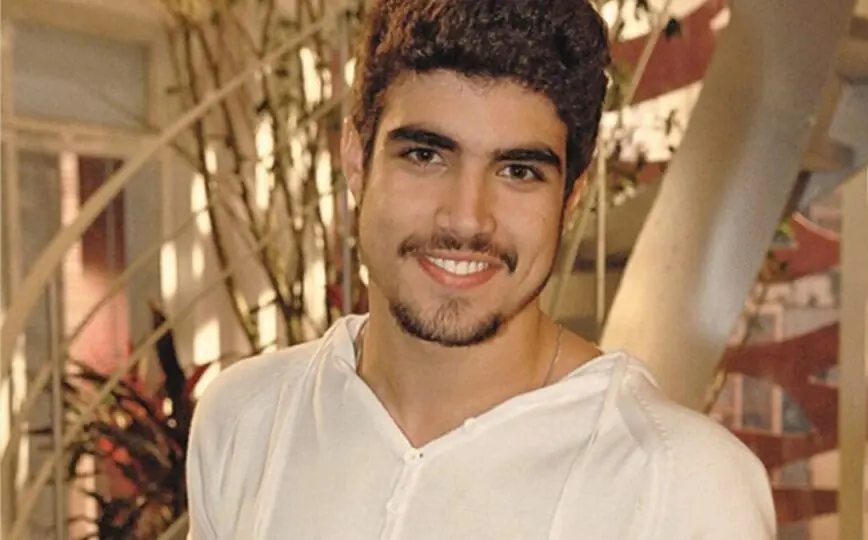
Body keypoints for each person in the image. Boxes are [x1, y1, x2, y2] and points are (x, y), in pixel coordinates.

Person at [186, 0, 777, 538]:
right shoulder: (247, 420)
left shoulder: (679, 484)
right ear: (357, 161)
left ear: (571, 198)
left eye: (518, 171)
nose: (467, 218)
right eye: (425, 155)